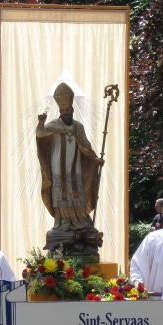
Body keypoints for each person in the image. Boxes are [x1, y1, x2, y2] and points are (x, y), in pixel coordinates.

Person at [36, 82, 104, 232]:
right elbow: (40, 134)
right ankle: (63, 222)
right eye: (62, 110)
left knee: (77, 194)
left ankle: (80, 221)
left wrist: (94, 159)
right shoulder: (53, 125)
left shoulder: (78, 126)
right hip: (57, 169)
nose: (65, 112)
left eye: (67, 109)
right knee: (61, 197)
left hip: (76, 168)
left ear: (72, 110)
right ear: (60, 111)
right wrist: (41, 123)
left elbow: (85, 145)